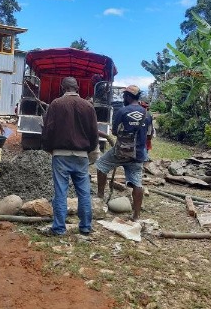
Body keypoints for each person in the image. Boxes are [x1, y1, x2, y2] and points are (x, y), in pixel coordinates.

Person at [40, 77, 98, 236]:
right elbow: (94, 133)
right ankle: (85, 227)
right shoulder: (88, 106)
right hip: (81, 156)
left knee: (60, 192)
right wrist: (89, 150)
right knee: (84, 193)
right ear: (77, 88)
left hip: (60, 155)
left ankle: (59, 228)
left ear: (62, 88)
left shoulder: (55, 104)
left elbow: (48, 130)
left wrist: (49, 149)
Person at [95, 85, 151, 222]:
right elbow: (149, 136)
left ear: (127, 96)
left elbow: (114, 131)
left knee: (101, 165)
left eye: (124, 96)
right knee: (137, 183)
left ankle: (100, 197)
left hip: (120, 151)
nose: (123, 98)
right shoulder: (147, 114)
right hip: (138, 154)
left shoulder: (122, 111)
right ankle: (136, 215)